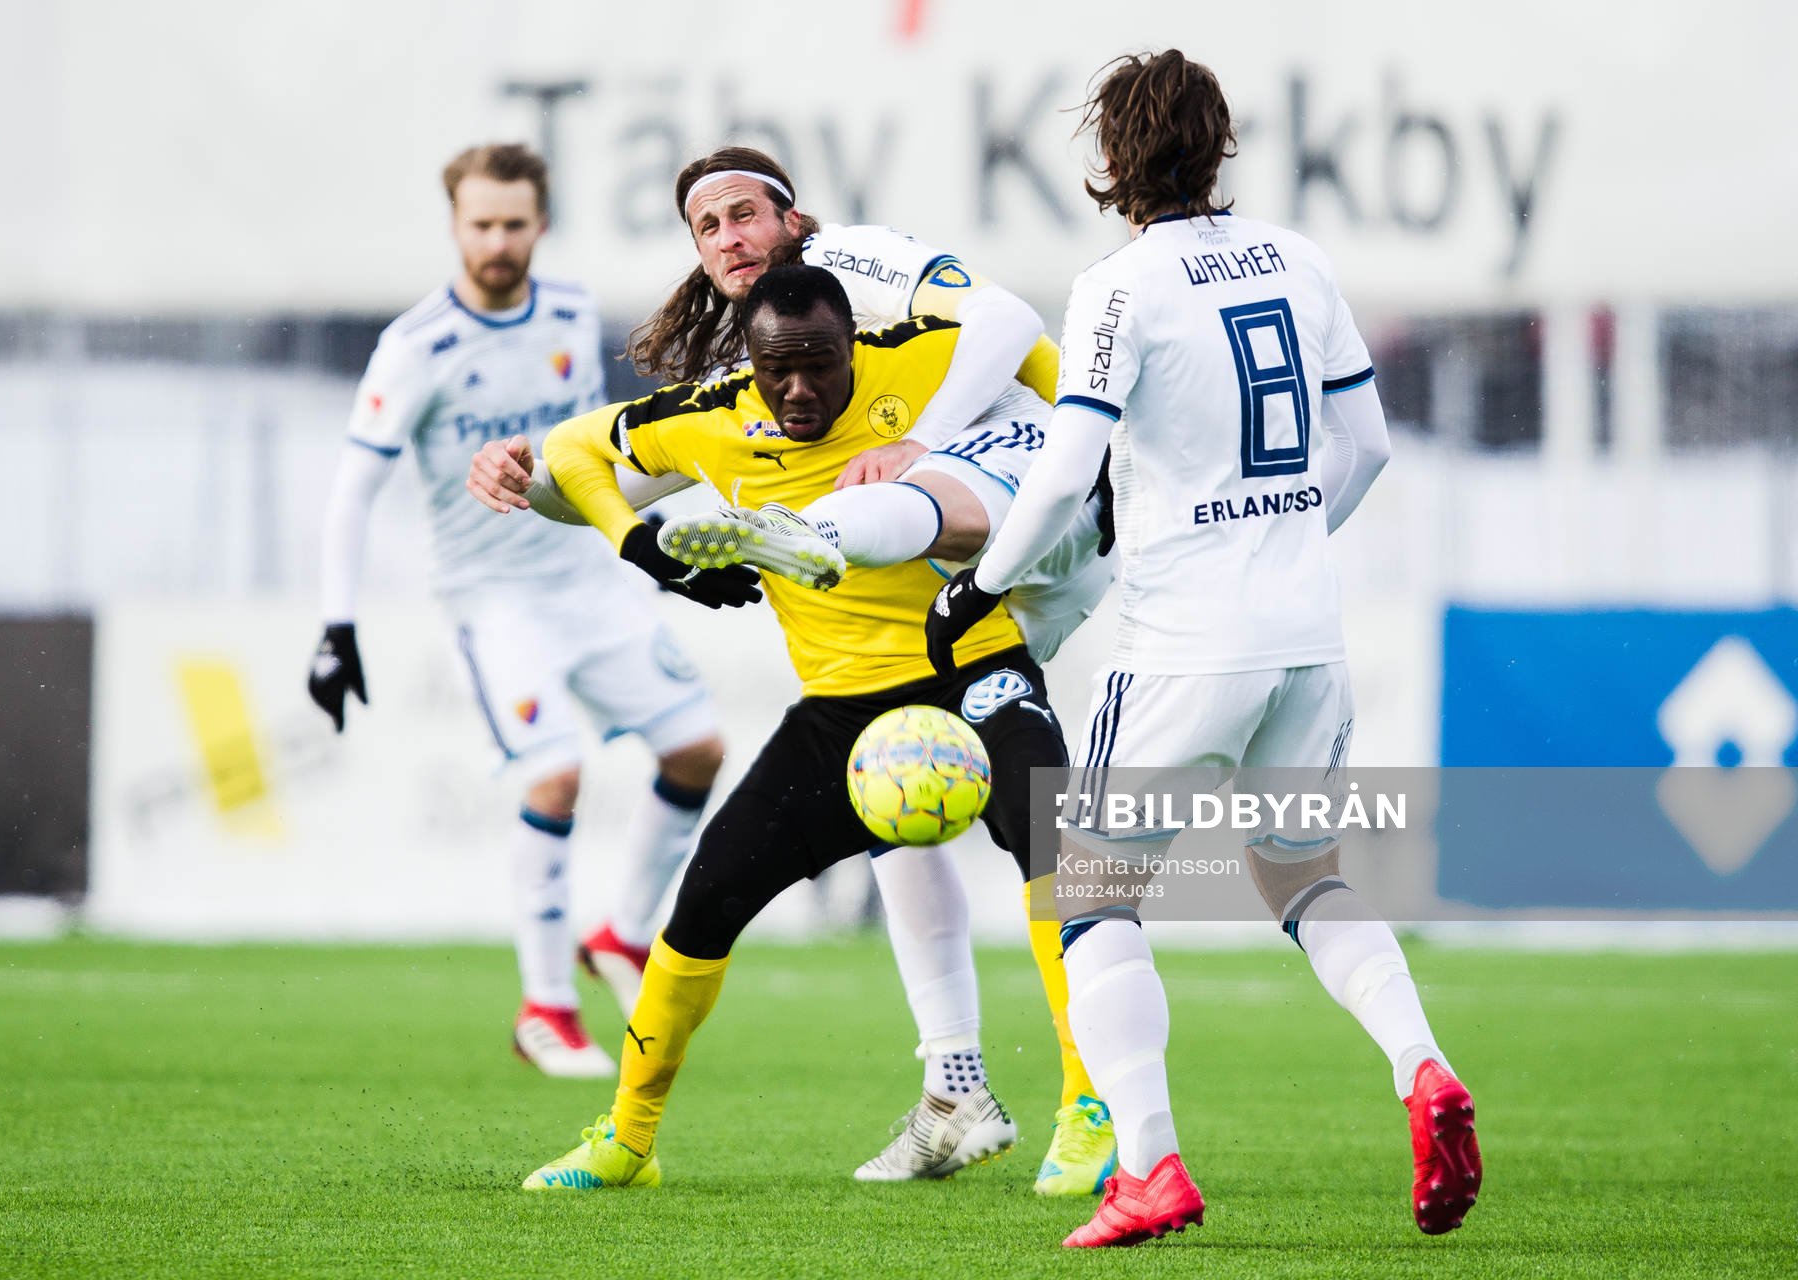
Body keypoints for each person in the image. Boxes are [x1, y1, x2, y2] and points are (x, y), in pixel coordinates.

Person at [469, 149, 1119, 1192]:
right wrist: (623, 534)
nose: (807, 385)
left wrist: (1095, 467)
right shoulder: (715, 405)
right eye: (707, 224)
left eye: (826, 361)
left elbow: (1021, 335)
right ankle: (632, 1137)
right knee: (708, 899)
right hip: (846, 713)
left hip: (979, 643)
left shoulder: (906, 332)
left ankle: (1093, 1105)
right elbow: (571, 465)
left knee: (1065, 849)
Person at [925, 51, 1480, 1248]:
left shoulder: (1118, 284)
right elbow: (1369, 445)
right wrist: (1286, 536)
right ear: (1221, 144)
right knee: (1307, 877)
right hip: (1304, 637)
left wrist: (980, 581)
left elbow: (1068, 470)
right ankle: (1423, 1067)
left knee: (1094, 896)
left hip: (1183, 641)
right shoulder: (1299, 257)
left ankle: (1151, 1166)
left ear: (1109, 157)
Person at [307, 143, 742, 1079]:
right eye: (481, 224)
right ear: (456, 225)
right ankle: (545, 1010)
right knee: (555, 778)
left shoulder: (574, 313)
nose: (497, 241)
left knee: (700, 749)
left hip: (589, 583)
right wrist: (336, 627)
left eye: (514, 223)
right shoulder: (416, 345)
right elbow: (353, 489)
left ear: (539, 224)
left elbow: (599, 448)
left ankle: (622, 938)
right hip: (495, 601)